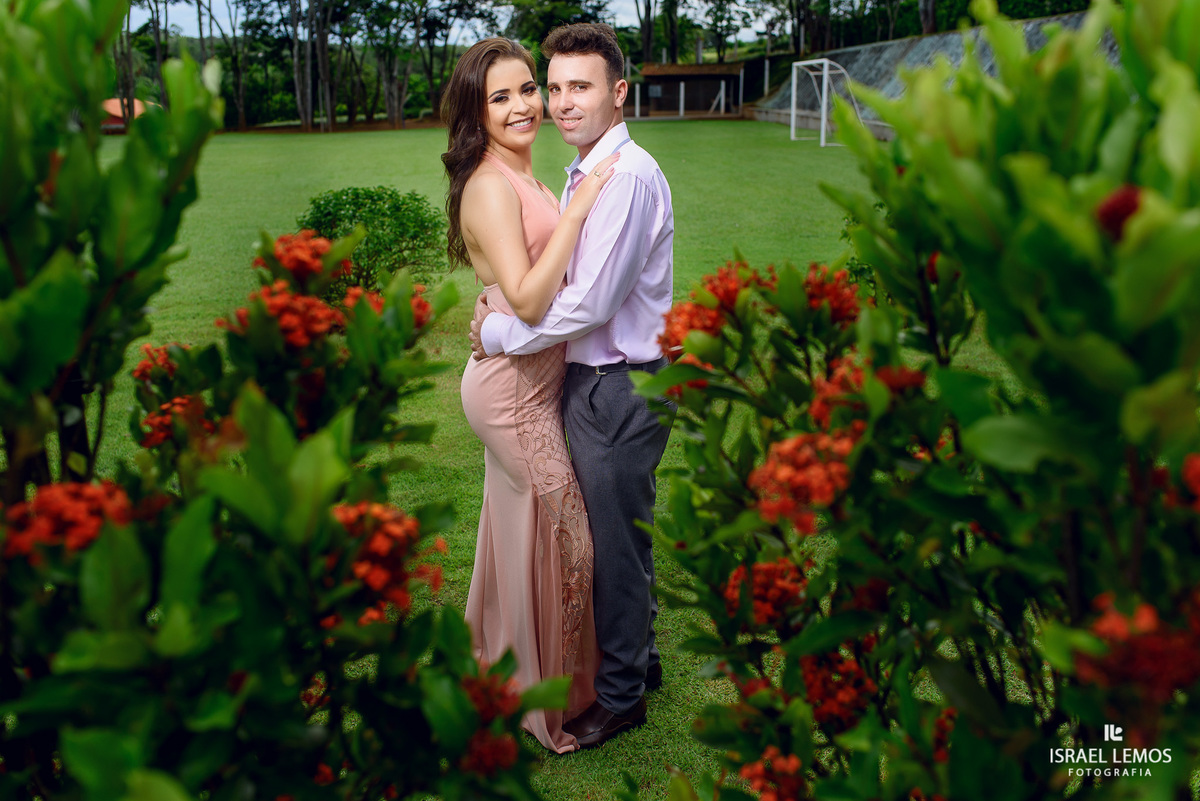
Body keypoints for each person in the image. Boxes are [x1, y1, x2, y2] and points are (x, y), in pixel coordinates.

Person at [469, 23, 675, 750]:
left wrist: (498, 335)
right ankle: (638, 663)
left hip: (617, 385)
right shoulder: (586, 168)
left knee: (611, 545)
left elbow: (587, 303)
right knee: (624, 531)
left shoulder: (624, 178)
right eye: (551, 86)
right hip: (597, 380)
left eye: (577, 87)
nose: (559, 102)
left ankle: (618, 697)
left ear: (618, 92)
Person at [442, 37, 618, 754]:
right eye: (500, 97)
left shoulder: (529, 174)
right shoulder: (490, 184)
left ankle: (507, 670)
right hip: (512, 394)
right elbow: (525, 296)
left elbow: (518, 294)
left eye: (526, 90)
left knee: (522, 534)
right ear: (476, 114)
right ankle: (544, 698)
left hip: (533, 383)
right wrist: (578, 216)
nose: (522, 107)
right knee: (569, 538)